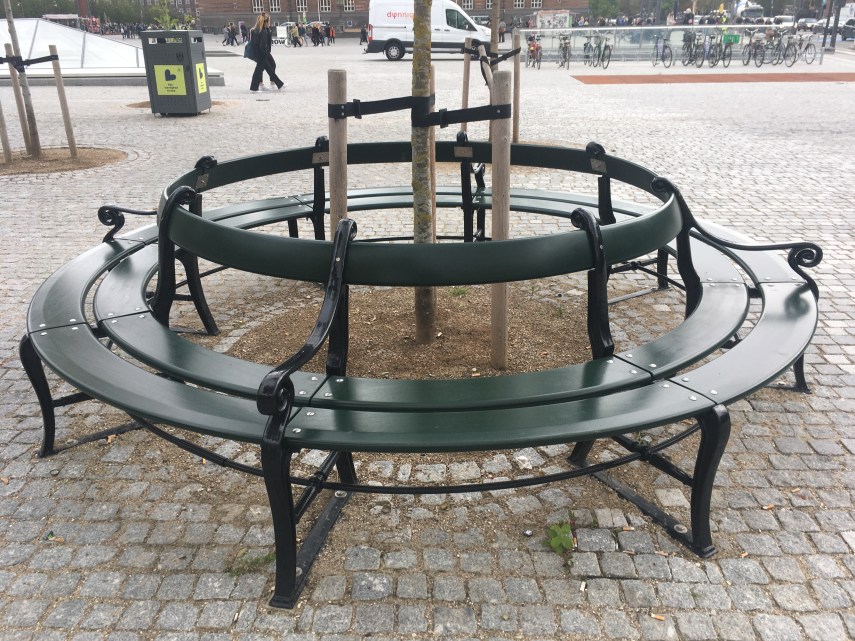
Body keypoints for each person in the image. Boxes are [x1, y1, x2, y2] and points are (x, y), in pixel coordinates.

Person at [250, 14, 285, 92]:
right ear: (266, 21)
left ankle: (279, 84)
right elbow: (262, 44)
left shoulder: (261, 29)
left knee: (268, 68)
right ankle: (254, 88)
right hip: (262, 53)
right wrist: (265, 53)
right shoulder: (262, 31)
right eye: (269, 20)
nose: (270, 21)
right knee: (260, 70)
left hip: (261, 52)